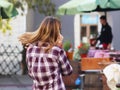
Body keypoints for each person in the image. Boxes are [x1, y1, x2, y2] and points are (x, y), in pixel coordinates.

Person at [18, 16, 73, 90]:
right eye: (59, 31)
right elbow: (68, 71)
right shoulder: (57, 51)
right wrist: (59, 46)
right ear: (56, 33)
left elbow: (31, 74)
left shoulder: (30, 50)